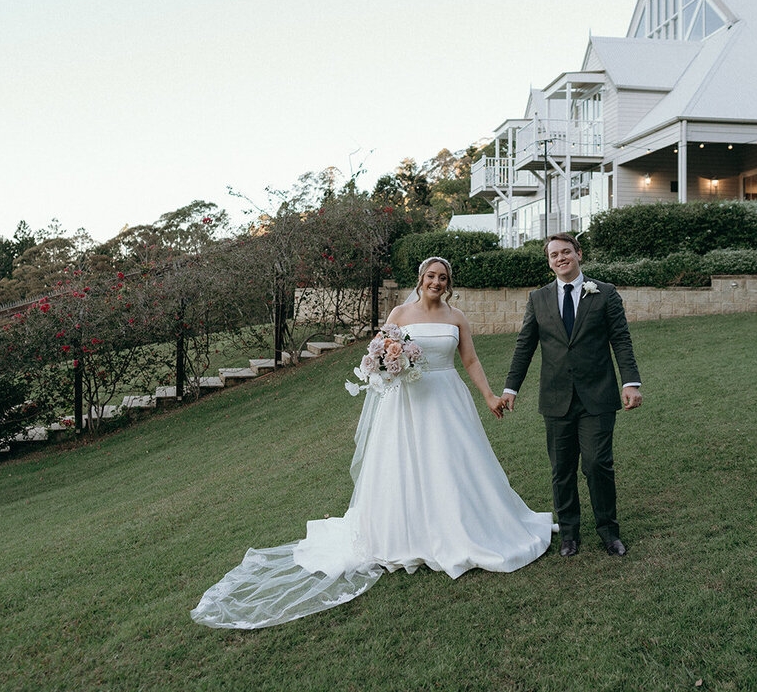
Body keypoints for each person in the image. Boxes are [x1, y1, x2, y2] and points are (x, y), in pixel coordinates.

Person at [191, 256, 553, 629]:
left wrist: (489, 395)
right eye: (431, 276)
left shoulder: (456, 317)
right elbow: (375, 356)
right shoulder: (399, 312)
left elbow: (471, 360)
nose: (437, 282)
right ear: (421, 278)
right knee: (402, 465)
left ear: (448, 283)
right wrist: (390, 364)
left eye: (443, 278)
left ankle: (460, 526)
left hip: (447, 399)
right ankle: (405, 531)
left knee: (453, 464)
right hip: (406, 403)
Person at [501, 233, 642, 558]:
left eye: (566, 252)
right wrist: (511, 387)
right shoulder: (538, 299)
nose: (561, 258)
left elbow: (621, 339)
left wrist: (630, 382)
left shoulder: (604, 293)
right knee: (561, 468)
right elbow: (526, 344)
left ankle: (609, 531)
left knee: (597, 464)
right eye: (554, 255)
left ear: (579, 254)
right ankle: (569, 535)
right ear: (549, 261)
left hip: (598, 395)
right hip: (555, 398)